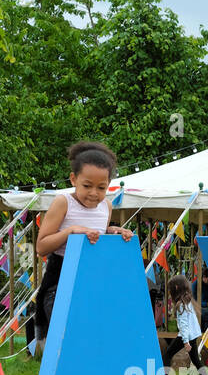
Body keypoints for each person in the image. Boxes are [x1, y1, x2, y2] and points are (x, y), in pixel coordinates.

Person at [32, 141, 134, 356]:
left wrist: (114, 231)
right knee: (68, 344)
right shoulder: (63, 203)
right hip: (59, 283)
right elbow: (41, 246)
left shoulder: (106, 205)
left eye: (101, 187)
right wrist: (70, 231)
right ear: (73, 179)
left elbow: (98, 234)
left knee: (95, 344)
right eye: (87, 186)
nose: (94, 193)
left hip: (93, 281)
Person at [161, 274, 208, 375]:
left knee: (167, 355)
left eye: (171, 288)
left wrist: (185, 342)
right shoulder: (189, 301)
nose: (170, 291)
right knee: (195, 359)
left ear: (177, 287)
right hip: (193, 335)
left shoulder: (181, 305)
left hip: (187, 336)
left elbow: (184, 326)